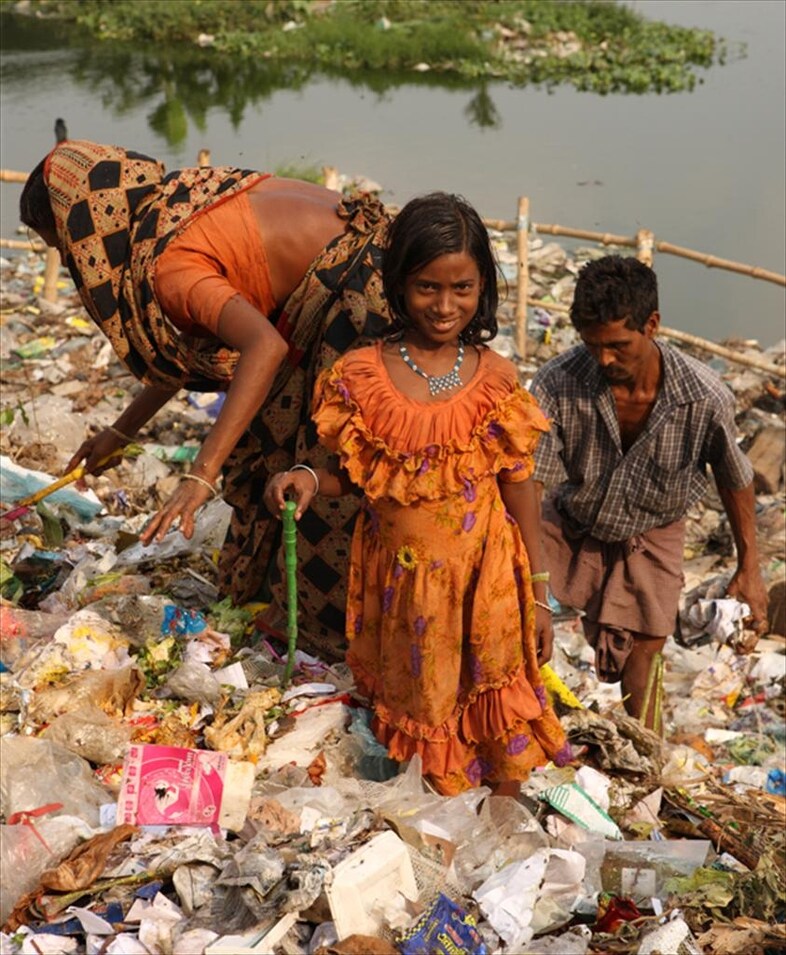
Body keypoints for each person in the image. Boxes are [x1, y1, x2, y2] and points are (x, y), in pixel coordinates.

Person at [19, 139, 392, 656]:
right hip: (364, 271)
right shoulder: (172, 205)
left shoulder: (168, 265)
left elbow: (265, 346)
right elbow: (189, 344)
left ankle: (337, 632)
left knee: (319, 470)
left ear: (84, 228)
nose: (70, 259)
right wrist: (120, 432)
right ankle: (289, 606)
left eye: (62, 245)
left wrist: (201, 474)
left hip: (361, 302)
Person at [265, 193, 570, 795]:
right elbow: (356, 478)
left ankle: (503, 836)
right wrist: (305, 478)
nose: (445, 305)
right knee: (426, 718)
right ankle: (444, 836)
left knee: (499, 714)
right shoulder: (359, 377)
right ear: (399, 284)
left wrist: (538, 593)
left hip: (487, 584)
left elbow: (519, 487)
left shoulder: (497, 380)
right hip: (406, 592)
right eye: (428, 287)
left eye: (462, 288)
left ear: (483, 287)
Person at [530, 255, 769, 727]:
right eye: (592, 344)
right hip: (574, 517)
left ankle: (644, 760)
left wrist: (750, 567)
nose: (604, 359)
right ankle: (516, 729)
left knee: (645, 651)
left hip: (653, 527)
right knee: (508, 610)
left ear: (652, 325)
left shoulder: (702, 396)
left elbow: (734, 477)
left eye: (618, 345)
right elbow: (530, 476)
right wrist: (530, 584)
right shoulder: (559, 382)